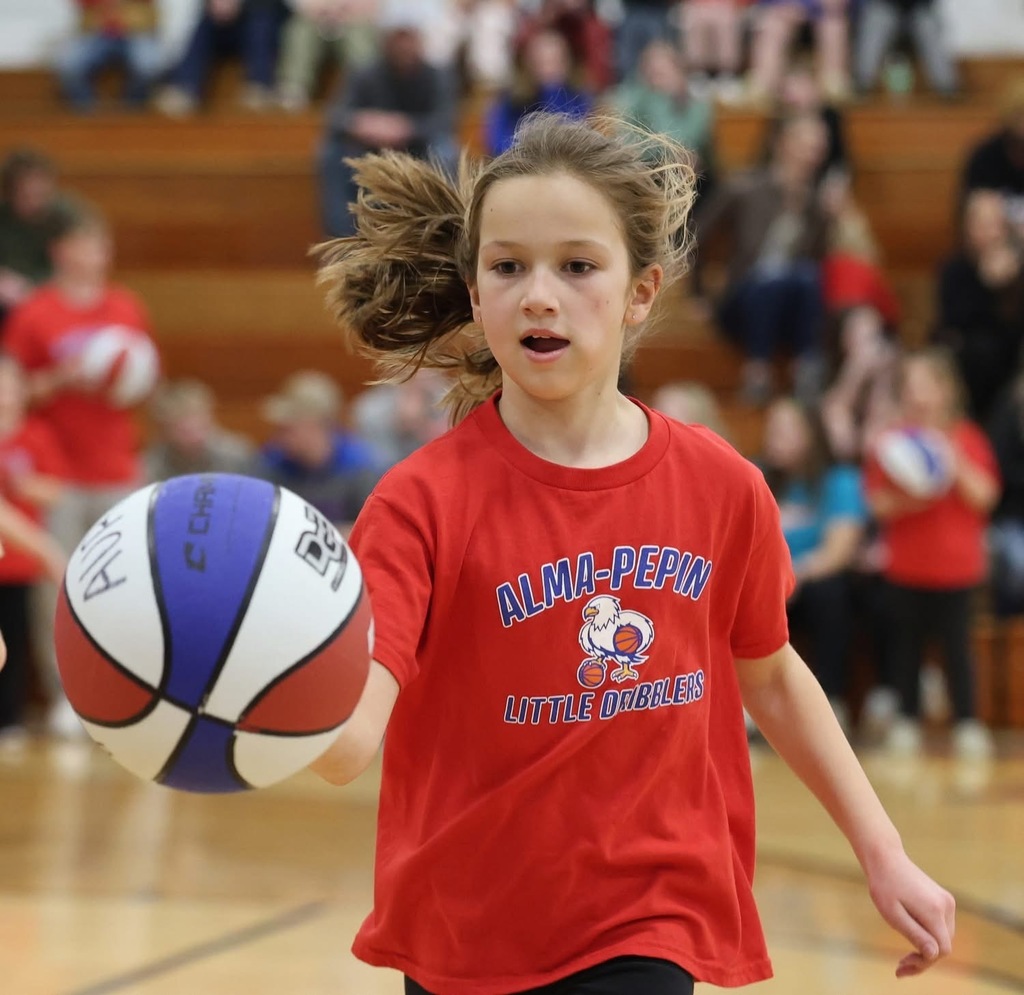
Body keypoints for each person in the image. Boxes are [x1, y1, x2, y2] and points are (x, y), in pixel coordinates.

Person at [308, 112, 955, 994]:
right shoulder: (421, 503)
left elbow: (769, 671)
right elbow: (349, 744)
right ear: (473, 290)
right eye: (507, 267)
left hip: (650, 912)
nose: (541, 294)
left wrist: (886, 853)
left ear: (641, 290)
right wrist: (248, 692)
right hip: (464, 928)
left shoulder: (722, 486)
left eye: (577, 266)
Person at [1, 200, 158, 736]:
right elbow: (14, 388)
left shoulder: (125, 306)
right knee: (61, 586)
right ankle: (68, 697)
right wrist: (63, 377)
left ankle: (132, 690)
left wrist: (121, 377)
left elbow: (144, 379)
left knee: (128, 585)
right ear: (61, 251)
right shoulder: (37, 313)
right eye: (86, 245)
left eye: (102, 245)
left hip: (117, 468)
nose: (97, 255)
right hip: (58, 474)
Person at [864, 347, 1000, 759]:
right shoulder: (890, 444)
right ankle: (906, 718)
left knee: (958, 649)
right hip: (906, 567)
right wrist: (914, 498)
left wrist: (949, 460)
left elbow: (986, 496)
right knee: (905, 646)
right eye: (911, 385)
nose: (919, 394)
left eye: (928, 384)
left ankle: (968, 723)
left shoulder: (967, 438)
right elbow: (877, 504)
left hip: (958, 569)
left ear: (946, 391)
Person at [692, 112, 831, 405]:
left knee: (806, 276)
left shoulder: (817, 205)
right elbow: (697, 236)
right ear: (783, 144)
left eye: (818, 147)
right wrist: (698, 293)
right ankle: (758, 371)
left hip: (788, 306)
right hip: (744, 300)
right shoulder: (745, 187)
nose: (812, 154)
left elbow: (819, 260)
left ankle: (805, 368)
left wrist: (827, 216)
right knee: (769, 279)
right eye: (806, 144)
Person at [759, 397, 866, 731]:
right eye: (771, 428)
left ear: (811, 434)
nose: (772, 436)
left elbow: (838, 552)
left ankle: (830, 701)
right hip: (771, 585)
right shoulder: (758, 479)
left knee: (828, 595)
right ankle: (752, 707)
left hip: (813, 582)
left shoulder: (840, 481)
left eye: (784, 429)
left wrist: (790, 576)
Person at [318, 4, 458, 237]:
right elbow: (335, 117)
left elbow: (444, 120)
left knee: (446, 151)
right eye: (397, 37)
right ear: (384, 40)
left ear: (420, 40)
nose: (403, 45)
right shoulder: (363, 72)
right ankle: (342, 241)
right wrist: (361, 123)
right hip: (369, 151)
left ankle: (441, 237)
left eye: (409, 37)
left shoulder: (438, 75)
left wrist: (405, 127)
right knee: (330, 153)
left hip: (418, 149)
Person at [0, 358, 67, 746]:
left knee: (14, 644)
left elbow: (52, 491)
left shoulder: (36, 434)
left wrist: (47, 555)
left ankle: (9, 720)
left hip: (19, 564)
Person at [935, 189, 1024, 426]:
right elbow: (955, 321)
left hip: (1012, 365)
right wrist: (987, 285)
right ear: (967, 228)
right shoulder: (954, 270)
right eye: (983, 224)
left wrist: (1009, 287)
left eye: (997, 225)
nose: (991, 233)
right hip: (969, 364)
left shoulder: (1019, 272)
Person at [252, 370, 382, 528]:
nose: (278, 436)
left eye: (287, 428)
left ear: (316, 426)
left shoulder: (360, 468)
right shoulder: (270, 463)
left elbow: (371, 529)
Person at [609, 39, 716, 201]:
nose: (658, 81)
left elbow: (696, 139)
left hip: (693, 175)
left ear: (680, 73)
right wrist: (660, 100)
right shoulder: (635, 102)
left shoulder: (697, 106)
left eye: (665, 73)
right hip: (648, 173)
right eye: (653, 74)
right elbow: (629, 143)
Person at [155, 0, 287, 116]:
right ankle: (185, 88)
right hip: (221, 23)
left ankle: (259, 87)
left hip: (263, 22)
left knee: (261, 19)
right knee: (203, 25)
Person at [486, 29, 591, 158]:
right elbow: (497, 141)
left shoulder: (578, 97)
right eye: (543, 61)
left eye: (556, 61)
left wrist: (553, 90)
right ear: (529, 63)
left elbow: (578, 139)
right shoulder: (512, 101)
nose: (550, 68)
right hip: (521, 165)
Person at [54, 0, 164, 112]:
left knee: (148, 63)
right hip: (95, 30)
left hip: (137, 29)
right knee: (69, 62)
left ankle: (133, 107)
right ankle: (85, 111)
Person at [275, 0, 378, 112]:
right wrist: (318, 8)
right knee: (300, 33)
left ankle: (366, 93)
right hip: (314, 18)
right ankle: (293, 89)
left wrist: (348, 9)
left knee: (358, 39)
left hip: (356, 19)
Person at [0, 151, 64, 329]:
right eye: (25, 196)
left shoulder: (67, 218)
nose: (34, 203)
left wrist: (36, 291)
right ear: (9, 194)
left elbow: (84, 260)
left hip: (53, 298)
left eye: (40, 194)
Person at [144, 378, 254, 481]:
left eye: (200, 426)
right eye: (183, 430)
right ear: (164, 430)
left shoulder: (237, 454)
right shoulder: (153, 464)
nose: (195, 436)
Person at [852, 0, 960, 100]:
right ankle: (862, 83)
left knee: (928, 26)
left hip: (918, 9)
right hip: (886, 7)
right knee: (876, 20)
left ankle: (947, 86)